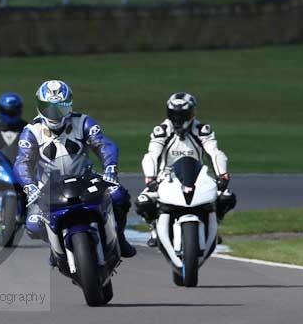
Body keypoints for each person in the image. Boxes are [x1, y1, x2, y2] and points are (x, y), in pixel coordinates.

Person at [14, 80, 137, 258]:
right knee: (33, 225)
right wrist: (29, 186)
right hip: (48, 187)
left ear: (69, 106)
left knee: (119, 196)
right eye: (49, 107)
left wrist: (110, 167)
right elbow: (22, 162)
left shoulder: (83, 122)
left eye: (60, 108)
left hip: (85, 178)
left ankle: (119, 237)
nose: (54, 114)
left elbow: (103, 144)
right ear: (39, 107)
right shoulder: (31, 131)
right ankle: (55, 248)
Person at [136, 92, 236, 247]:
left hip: (199, 175)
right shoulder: (162, 131)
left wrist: (222, 174)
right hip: (166, 177)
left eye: (182, 115)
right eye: (174, 115)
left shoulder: (202, 130)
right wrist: (150, 177)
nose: (178, 119)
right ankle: (154, 228)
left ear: (192, 113)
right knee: (143, 202)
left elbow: (214, 152)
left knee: (227, 197)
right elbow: (151, 155)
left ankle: (215, 225)